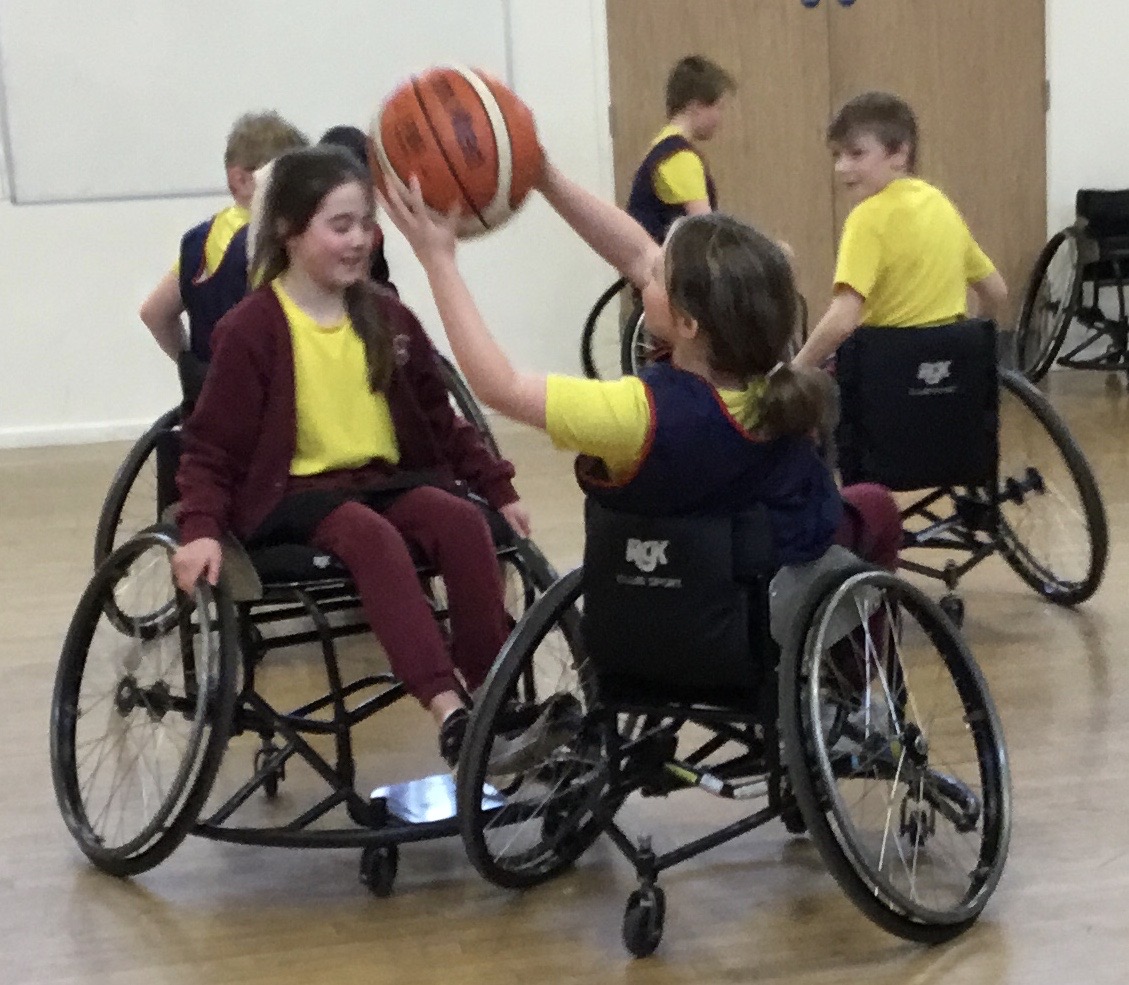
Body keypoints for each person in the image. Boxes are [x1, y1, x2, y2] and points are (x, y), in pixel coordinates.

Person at [170, 146, 531, 768]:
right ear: (288, 231)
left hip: (387, 482)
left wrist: (497, 489)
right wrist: (200, 529)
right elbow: (210, 448)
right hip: (296, 498)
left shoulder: (387, 316)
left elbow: (443, 424)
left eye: (366, 223)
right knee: (371, 539)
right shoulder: (253, 328)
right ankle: (451, 714)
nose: (360, 239)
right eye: (340, 226)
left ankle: (495, 696)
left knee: (461, 522)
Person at [378, 160, 902, 576]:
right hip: (757, 618)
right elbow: (634, 252)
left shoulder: (633, 414)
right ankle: (867, 690)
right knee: (873, 505)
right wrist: (544, 176)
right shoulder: (773, 388)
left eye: (655, 275)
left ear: (688, 323)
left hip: (649, 612)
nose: (641, 271)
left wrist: (438, 262)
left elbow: (500, 386)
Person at [794, 91, 1009, 369]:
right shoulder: (940, 205)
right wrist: (965, 344)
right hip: (951, 383)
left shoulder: (867, 217)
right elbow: (996, 292)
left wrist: (794, 371)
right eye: (837, 155)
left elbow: (842, 321)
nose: (841, 167)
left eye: (856, 154)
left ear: (900, 153)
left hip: (885, 380)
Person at [138, 111, 308, 385]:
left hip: (211, 398)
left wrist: (193, 368)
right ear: (240, 180)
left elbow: (154, 313)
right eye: (284, 178)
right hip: (263, 395)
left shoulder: (198, 239)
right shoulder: (273, 240)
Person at [625, 55, 735, 244]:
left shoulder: (661, 147)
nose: (720, 118)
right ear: (696, 106)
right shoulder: (679, 157)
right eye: (719, 108)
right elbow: (706, 231)